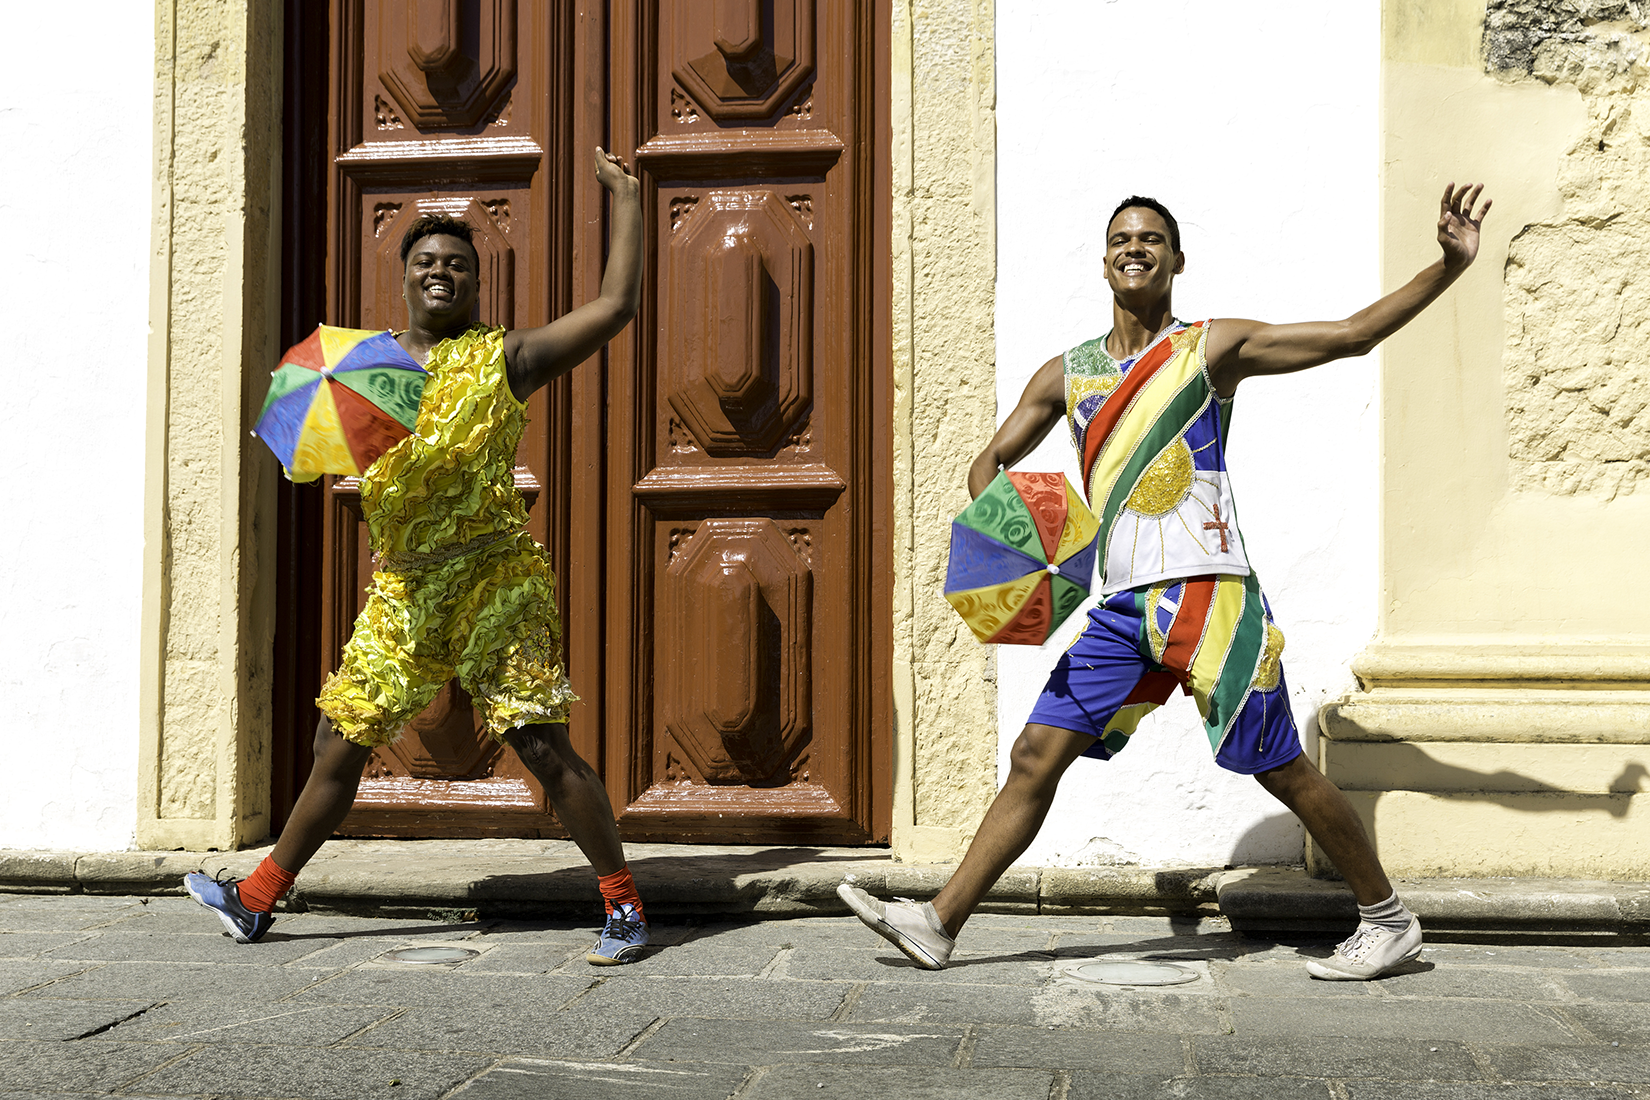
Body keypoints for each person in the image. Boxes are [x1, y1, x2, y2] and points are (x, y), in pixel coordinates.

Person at [841, 182, 1493, 981]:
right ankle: (939, 922)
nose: (1135, 247)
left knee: (1277, 764)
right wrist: (1014, 532)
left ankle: (1388, 922)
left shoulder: (1209, 350)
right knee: (1036, 755)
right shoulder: (1068, 374)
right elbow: (989, 461)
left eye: (1152, 238)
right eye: (1121, 237)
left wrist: (1448, 266)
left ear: (1177, 260)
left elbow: (1352, 336)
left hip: (1212, 596)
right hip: (1120, 608)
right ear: (1105, 259)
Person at [186, 148, 651, 966]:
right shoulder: (362, 372)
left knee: (540, 743)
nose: (443, 272)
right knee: (341, 740)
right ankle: (258, 897)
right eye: (428, 261)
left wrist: (625, 198)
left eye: (459, 265)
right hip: (403, 589)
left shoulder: (503, 359)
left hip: (495, 579)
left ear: (477, 281)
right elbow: (326, 451)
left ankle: (622, 906)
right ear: (404, 277)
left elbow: (615, 307)